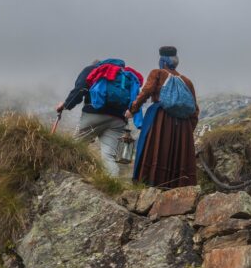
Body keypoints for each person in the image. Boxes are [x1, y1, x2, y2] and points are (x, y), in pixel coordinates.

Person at [56, 58, 142, 177]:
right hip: (118, 120)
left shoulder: (92, 70)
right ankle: (113, 186)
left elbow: (81, 89)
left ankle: (66, 176)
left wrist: (65, 105)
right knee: (108, 156)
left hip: (93, 114)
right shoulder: (125, 75)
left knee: (73, 146)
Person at [127, 47, 199, 187]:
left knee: (156, 149)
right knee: (178, 157)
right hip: (183, 125)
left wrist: (132, 110)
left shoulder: (158, 73)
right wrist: (187, 132)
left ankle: (150, 184)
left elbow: (146, 92)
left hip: (160, 118)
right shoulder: (187, 82)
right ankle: (175, 187)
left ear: (162, 60)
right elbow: (194, 111)